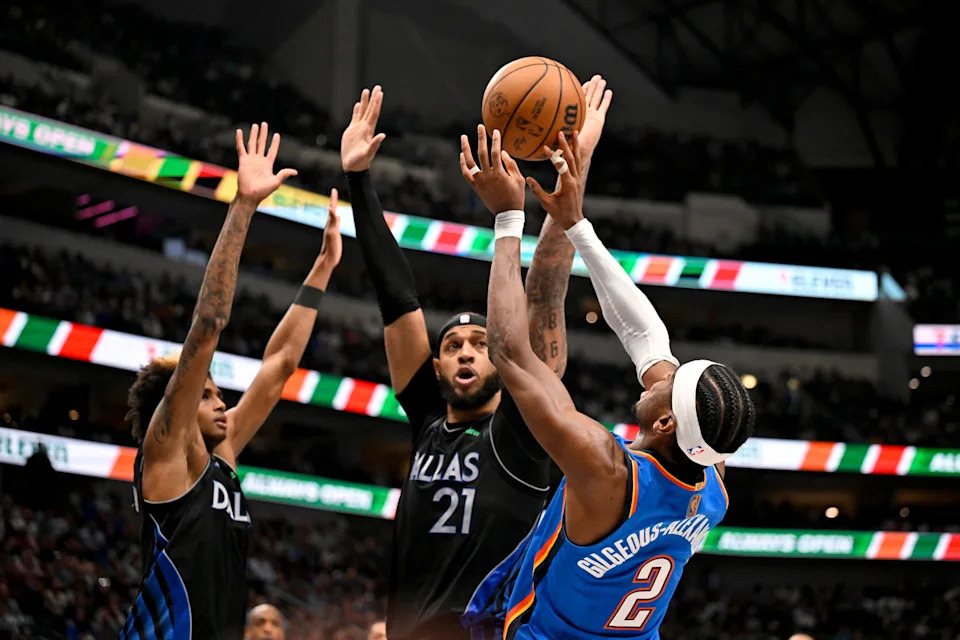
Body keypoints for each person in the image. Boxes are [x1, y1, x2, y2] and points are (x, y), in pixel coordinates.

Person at [340, 78, 612, 640]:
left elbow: (543, 295)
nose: (466, 351)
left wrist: (571, 178)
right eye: (452, 346)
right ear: (436, 368)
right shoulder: (426, 419)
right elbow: (396, 296)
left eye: (481, 345)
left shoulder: (522, 430)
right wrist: (358, 180)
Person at [461, 126, 754, 639]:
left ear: (665, 420)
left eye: (672, 381)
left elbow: (508, 351)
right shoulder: (712, 484)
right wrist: (577, 226)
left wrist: (508, 220)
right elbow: (647, 336)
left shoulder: (606, 470)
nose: (664, 371)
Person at [120, 123, 343, 639]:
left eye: (219, 394)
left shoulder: (223, 455)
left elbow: (281, 362)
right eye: (206, 395)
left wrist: (324, 268)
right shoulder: (168, 451)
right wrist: (243, 208)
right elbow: (208, 325)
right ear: (170, 408)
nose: (223, 404)